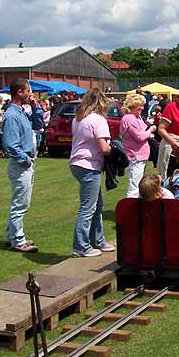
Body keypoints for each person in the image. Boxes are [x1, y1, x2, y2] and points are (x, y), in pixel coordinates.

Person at [68, 88, 116, 257]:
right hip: (89, 165)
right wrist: (117, 150)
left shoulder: (79, 118)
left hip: (77, 163)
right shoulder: (99, 120)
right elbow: (104, 148)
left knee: (97, 205)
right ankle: (80, 246)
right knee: (87, 208)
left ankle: (98, 240)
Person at [2, 78, 38, 252]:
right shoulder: (12, 115)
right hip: (20, 164)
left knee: (20, 202)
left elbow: (38, 124)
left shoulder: (21, 112)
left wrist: (36, 106)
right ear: (19, 92)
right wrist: (26, 159)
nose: (30, 93)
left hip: (25, 163)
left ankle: (12, 235)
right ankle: (17, 239)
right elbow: (10, 144)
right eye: (28, 90)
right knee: (20, 203)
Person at [120, 94, 157, 198]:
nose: (142, 108)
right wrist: (151, 130)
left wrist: (149, 133)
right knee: (134, 187)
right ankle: (130, 211)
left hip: (140, 157)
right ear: (132, 105)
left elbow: (143, 131)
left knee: (139, 185)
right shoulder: (129, 118)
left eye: (142, 105)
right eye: (139, 105)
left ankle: (137, 210)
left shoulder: (137, 117)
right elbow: (140, 136)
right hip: (135, 156)